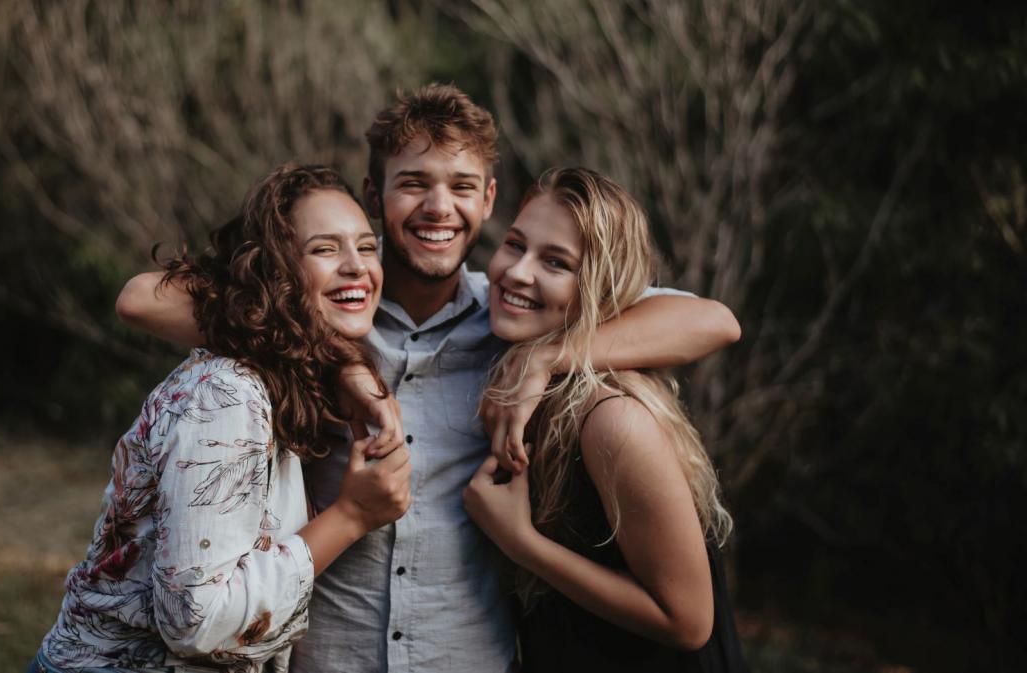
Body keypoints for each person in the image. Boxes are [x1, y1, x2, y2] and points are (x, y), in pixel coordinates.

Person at [116, 84, 741, 673]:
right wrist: (340, 365)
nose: (439, 207)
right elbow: (142, 299)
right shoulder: (325, 305)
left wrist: (546, 359)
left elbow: (713, 320)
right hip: (328, 658)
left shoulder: (516, 320)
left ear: (489, 200)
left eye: (462, 186)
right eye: (413, 183)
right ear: (373, 194)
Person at [30, 164, 411, 673]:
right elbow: (195, 621)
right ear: (276, 271)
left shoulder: (284, 377)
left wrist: (346, 366)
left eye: (366, 247)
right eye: (324, 249)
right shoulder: (227, 395)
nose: (356, 266)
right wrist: (352, 516)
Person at [464, 167, 749, 672]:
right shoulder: (529, 385)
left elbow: (688, 621)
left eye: (555, 262)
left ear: (600, 288)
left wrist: (520, 542)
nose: (517, 272)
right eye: (514, 245)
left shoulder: (611, 419)